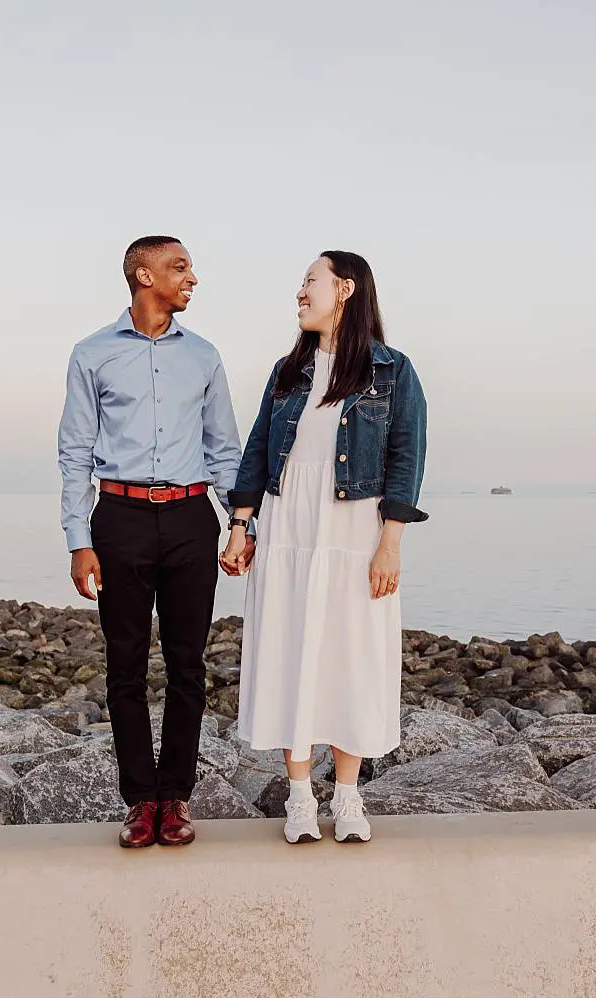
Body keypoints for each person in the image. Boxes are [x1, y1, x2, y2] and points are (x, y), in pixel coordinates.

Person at [221, 250, 428, 845]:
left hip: (355, 529)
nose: (300, 293)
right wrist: (241, 524)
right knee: (292, 649)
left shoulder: (392, 371)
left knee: (351, 655)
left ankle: (349, 794)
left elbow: (405, 459)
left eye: (309, 281)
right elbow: (259, 448)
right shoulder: (288, 371)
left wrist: (390, 543)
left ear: (344, 289)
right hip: (290, 527)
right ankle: (300, 796)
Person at [58, 235, 249, 849]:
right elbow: (74, 453)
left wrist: (242, 526)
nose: (192, 276)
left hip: (193, 518)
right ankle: (141, 801)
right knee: (126, 668)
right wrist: (77, 538)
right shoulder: (92, 355)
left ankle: (177, 798)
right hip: (119, 519)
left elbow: (225, 450)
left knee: (189, 665)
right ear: (144, 275)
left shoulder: (205, 357)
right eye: (180, 266)